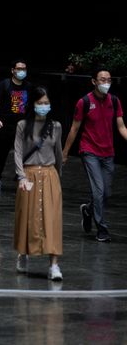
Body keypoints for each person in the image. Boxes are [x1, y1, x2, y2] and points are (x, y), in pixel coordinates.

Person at [62, 67, 127, 243]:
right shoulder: (84, 102)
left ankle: (88, 210)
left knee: (106, 193)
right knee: (98, 191)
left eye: (109, 80)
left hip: (108, 153)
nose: (106, 83)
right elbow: (74, 128)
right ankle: (102, 229)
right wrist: (65, 152)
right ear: (94, 81)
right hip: (89, 151)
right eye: (102, 79)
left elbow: (121, 126)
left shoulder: (114, 101)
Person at [14, 86, 64, 280]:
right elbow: (18, 152)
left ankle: (54, 265)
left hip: (50, 175)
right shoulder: (22, 125)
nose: (44, 106)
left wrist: (58, 176)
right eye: (40, 103)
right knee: (26, 216)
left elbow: (58, 153)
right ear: (32, 105)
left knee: (52, 219)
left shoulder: (56, 126)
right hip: (29, 175)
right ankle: (23, 253)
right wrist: (21, 176)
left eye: (46, 103)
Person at [0, 59, 31, 190]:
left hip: (22, 126)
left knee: (23, 152)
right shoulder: (5, 84)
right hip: (6, 125)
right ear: (13, 70)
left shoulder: (28, 87)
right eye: (19, 68)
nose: (21, 71)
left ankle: (20, 176)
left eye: (24, 69)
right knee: (2, 152)